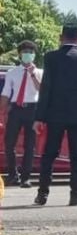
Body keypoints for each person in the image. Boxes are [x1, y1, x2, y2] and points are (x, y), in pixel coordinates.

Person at [33, 23, 77, 207]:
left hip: (55, 113)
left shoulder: (51, 58)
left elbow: (45, 89)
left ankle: (42, 194)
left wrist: (39, 117)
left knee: (49, 154)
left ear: (61, 37)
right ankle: (75, 195)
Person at [1, 40, 42, 188]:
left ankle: (26, 178)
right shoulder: (12, 72)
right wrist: (2, 109)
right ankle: (13, 174)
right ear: (20, 54)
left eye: (30, 52)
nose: (28, 55)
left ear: (34, 55)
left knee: (29, 146)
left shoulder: (40, 72)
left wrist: (32, 75)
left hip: (33, 109)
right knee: (9, 143)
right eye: (25, 52)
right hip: (16, 109)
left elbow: (42, 90)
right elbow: (6, 92)